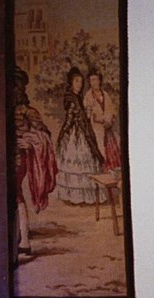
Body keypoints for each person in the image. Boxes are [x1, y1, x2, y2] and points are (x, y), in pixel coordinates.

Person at [10, 66, 57, 255]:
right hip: (2, 158)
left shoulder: (28, 111)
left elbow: (44, 133)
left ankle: (24, 241)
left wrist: (28, 140)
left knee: (15, 193)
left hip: (18, 157)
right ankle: (19, 240)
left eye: (16, 85)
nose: (14, 89)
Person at [55, 66, 104, 204]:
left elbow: (81, 116)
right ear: (71, 82)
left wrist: (87, 114)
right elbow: (70, 119)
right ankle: (77, 197)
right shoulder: (71, 98)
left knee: (87, 160)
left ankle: (86, 196)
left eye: (81, 82)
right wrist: (63, 135)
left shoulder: (78, 97)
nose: (80, 84)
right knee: (78, 160)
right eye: (76, 81)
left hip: (82, 130)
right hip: (75, 134)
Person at [83, 68, 122, 173]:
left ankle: (113, 170)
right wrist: (100, 119)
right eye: (91, 80)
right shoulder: (88, 96)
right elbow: (88, 114)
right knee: (100, 149)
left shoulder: (105, 94)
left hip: (107, 128)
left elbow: (112, 110)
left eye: (95, 79)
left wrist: (109, 120)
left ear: (99, 80)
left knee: (111, 149)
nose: (93, 83)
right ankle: (103, 170)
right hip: (96, 128)